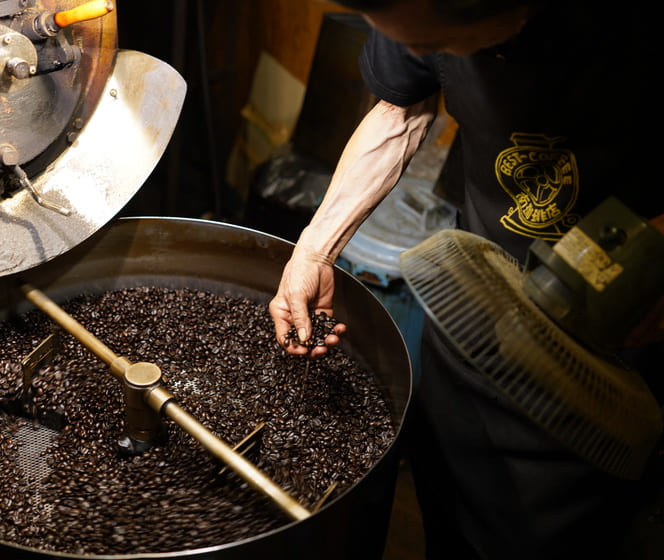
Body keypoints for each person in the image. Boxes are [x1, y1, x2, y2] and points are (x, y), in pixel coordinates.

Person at [268, 0, 663, 558]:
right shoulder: (413, 11)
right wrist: (314, 250)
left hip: (608, 363)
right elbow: (401, 110)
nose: (415, 53)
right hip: (473, 314)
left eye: (435, 42)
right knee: (450, 515)